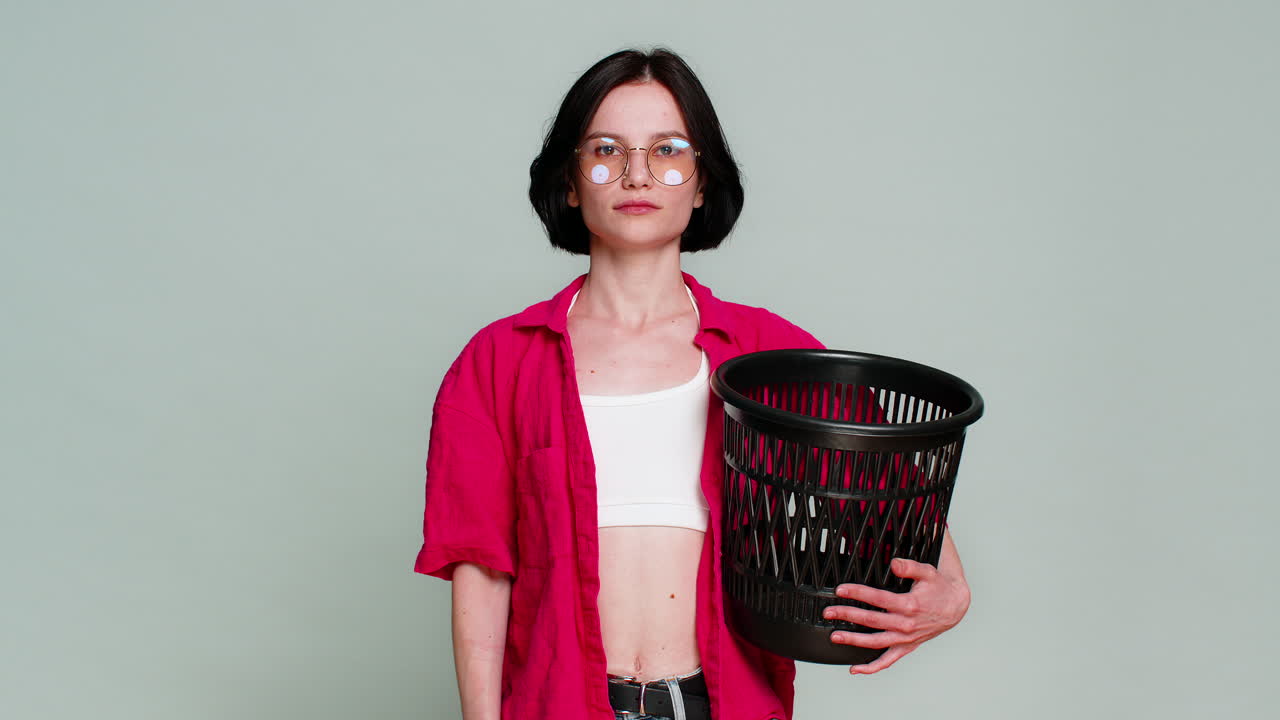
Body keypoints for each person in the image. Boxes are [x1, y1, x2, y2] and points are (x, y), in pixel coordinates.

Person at [413, 47, 971, 720]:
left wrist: (953, 593)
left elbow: (894, 493)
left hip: (725, 704)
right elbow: (482, 570)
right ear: (569, 180)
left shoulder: (771, 354)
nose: (637, 174)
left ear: (702, 182)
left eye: (669, 150)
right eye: (607, 151)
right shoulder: (498, 362)